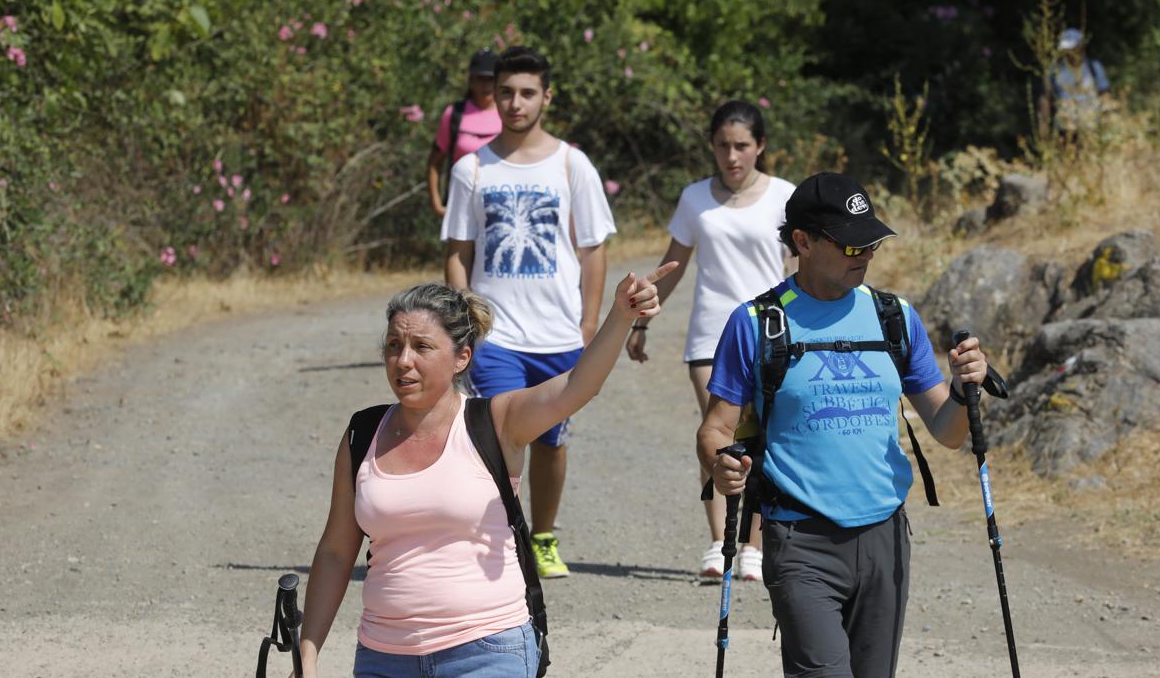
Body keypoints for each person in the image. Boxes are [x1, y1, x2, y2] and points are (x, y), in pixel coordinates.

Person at [298, 265, 675, 677]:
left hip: (487, 650)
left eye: (421, 347)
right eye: (393, 344)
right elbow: (336, 552)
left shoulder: (496, 422)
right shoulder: (363, 433)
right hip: (382, 657)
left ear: (462, 357)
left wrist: (621, 315)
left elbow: (578, 386)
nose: (402, 361)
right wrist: (308, 652)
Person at [697, 172, 988, 677]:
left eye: (871, 242)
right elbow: (715, 429)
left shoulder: (894, 317)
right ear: (803, 242)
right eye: (851, 245)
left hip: (885, 537)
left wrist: (966, 389)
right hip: (798, 539)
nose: (865, 255)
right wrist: (723, 465)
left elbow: (949, 431)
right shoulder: (757, 322)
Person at [442, 46, 617, 579]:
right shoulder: (471, 167)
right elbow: (458, 251)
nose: (515, 103)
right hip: (496, 335)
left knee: (550, 441)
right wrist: (466, 322)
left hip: (558, 334)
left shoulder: (572, 164)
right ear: (493, 95)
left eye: (526, 93)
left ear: (546, 96)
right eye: (505, 93)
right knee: (493, 439)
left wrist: (587, 325)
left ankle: (542, 536)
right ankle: (496, 537)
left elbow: (594, 250)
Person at [624, 99, 795, 581]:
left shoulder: (786, 196)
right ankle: (720, 541)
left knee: (759, 437)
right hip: (711, 333)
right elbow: (672, 265)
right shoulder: (695, 198)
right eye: (723, 146)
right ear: (712, 148)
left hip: (769, 330)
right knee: (715, 435)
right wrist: (641, 321)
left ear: (760, 146)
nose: (733, 156)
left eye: (742, 146)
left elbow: (806, 267)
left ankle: (754, 546)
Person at [426, 48, 503, 218]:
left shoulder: (508, 114)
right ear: (471, 80)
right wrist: (437, 204)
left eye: (491, 79)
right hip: (461, 210)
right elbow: (434, 163)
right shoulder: (454, 114)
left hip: (501, 211)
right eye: (480, 78)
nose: (486, 85)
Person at [1049, 27, 1111, 134]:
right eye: (1067, 50)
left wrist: (1106, 121)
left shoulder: (1094, 67)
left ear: (1081, 47)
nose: (1070, 53)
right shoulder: (1055, 71)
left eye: (1073, 49)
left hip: (1091, 128)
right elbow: (1047, 97)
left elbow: (1105, 95)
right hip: (1064, 130)